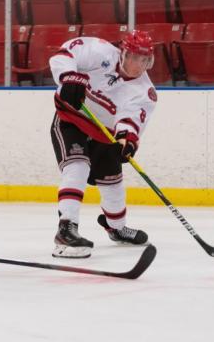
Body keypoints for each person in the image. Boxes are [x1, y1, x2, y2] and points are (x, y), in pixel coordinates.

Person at [49, 30, 158, 258]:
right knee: (77, 168)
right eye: (135, 57)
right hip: (72, 119)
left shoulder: (145, 92)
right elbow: (63, 55)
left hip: (105, 134)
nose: (138, 65)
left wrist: (126, 140)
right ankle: (66, 230)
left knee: (113, 185)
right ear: (123, 52)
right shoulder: (99, 51)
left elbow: (131, 120)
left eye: (144, 60)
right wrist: (68, 76)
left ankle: (117, 228)